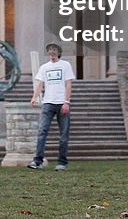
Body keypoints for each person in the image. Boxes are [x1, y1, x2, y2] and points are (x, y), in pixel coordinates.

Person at [27, 43, 74, 171]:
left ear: (59, 52)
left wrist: (66, 102)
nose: (52, 53)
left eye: (54, 50)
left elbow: (68, 84)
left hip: (61, 103)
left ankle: (62, 163)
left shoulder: (65, 65)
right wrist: (34, 97)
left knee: (64, 135)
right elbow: (40, 84)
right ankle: (37, 161)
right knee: (42, 131)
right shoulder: (44, 67)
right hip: (48, 103)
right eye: (50, 50)